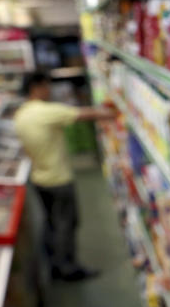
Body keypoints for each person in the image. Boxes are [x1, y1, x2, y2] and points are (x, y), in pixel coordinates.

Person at [13, 72, 117, 281]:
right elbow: (85, 114)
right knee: (66, 224)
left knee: (51, 222)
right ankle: (67, 268)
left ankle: (53, 264)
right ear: (36, 87)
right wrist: (114, 111)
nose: (49, 90)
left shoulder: (21, 114)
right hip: (58, 179)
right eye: (46, 85)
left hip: (39, 178)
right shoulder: (46, 111)